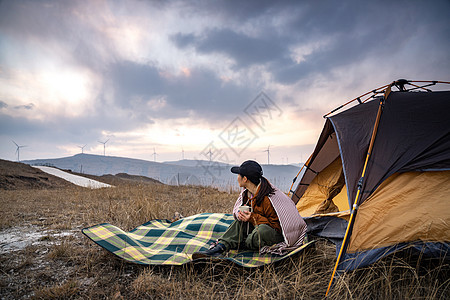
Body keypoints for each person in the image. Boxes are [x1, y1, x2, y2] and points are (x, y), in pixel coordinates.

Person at [193, 160, 307, 258]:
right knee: (239, 223)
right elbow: (242, 212)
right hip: (258, 225)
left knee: (260, 231)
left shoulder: (268, 199)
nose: (237, 178)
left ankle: (242, 243)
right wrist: (244, 216)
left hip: (275, 233)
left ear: (245, 179)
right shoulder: (247, 193)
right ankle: (219, 248)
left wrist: (252, 218)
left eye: (239, 175)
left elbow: (277, 225)